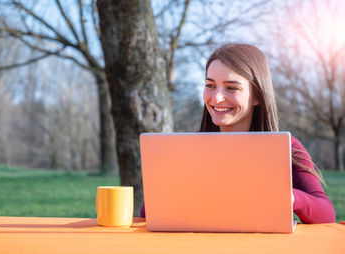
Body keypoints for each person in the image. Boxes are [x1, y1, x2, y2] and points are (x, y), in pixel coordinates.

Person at [140, 43, 336, 224]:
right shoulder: (185, 150)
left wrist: (289, 196)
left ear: (257, 97)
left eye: (231, 87)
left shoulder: (287, 148)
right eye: (210, 85)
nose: (216, 98)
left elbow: (326, 214)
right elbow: (146, 214)